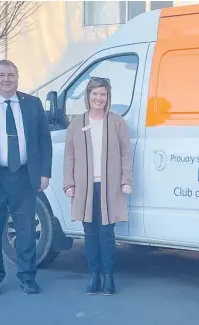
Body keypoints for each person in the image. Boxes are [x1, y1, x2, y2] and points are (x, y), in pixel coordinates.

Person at [0, 59, 53, 296]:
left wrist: (45, 173)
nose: (7, 79)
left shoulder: (32, 104)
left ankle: (27, 276)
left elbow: (45, 141)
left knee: (26, 230)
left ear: (17, 77)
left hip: (24, 177)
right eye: (2, 75)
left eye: (11, 75)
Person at [63, 77, 132, 295]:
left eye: (103, 94)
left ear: (108, 97)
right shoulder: (76, 123)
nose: (99, 98)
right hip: (84, 188)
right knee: (89, 233)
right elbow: (69, 156)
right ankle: (93, 275)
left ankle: (108, 276)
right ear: (88, 96)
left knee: (106, 233)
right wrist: (69, 184)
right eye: (95, 94)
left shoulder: (117, 121)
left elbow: (126, 152)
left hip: (108, 187)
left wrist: (126, 180)